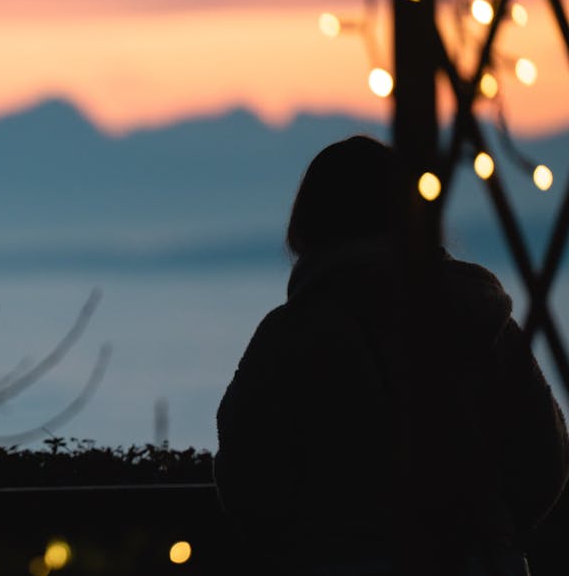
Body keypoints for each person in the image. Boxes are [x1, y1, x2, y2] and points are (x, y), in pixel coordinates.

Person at [215, 136, 569, 575]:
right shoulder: (483, 319)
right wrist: (490, 534)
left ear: (308, 224)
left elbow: (247, 476)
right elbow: (544, 459)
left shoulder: (293, 334)